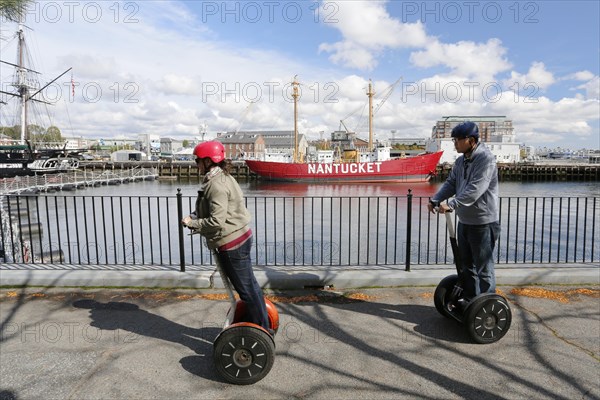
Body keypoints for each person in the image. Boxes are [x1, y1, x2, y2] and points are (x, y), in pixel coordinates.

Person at [182, 141, 270, 331]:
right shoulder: (223, 176)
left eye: (197, 160)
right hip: (240, 237)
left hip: (231, 244)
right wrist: (196, 215)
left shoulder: (216, 185)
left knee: (246, 291)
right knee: (250, 287)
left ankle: (261, 330)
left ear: (207, 161)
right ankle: (261, 324)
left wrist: (192, 223)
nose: (195, 164)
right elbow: (221, 210)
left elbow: (217, 221)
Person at [427, 121, 500, 302]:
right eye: (454, 139)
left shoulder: (485, 159)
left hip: (483, 223)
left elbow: (476, 188)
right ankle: (471, 302)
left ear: (471, 140)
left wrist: (452, 204)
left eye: (457, 140)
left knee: (483, 269)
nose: (455, 143)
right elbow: (452, 183)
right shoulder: (461, 161)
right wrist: (436, 199)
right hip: (465, 221)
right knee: (466, 265)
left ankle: (487, 305)